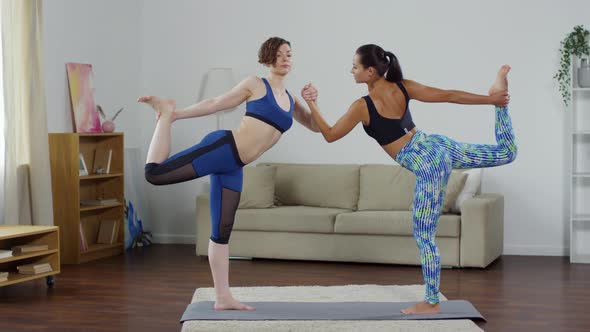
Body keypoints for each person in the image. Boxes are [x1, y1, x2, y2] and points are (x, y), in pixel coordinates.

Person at [301, 44, 516, 314]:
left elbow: (331, 134)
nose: (351, 70)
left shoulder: (362, 106)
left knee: (424, 235)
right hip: (438, 145)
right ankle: (501, 104)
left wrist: (311, 103)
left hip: (428, 163)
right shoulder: (403, 86)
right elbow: (449, 95)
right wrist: (492, 101)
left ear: (370, 72)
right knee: (507, 153)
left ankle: (431, 302)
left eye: (355, 66)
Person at [138, 37, 319, 311]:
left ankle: (222, 297)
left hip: (235, 166)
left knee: (222, 232)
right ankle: (165, 115)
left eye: (289, 54)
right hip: (223, 147)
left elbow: (316, 127)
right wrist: (177, 115)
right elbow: (216, 102)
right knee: (155, 174)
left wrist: (313, 102)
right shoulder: (256, 84)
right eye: (280, 54)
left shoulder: (291, 100)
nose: (286, 58)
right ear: (267, 59)